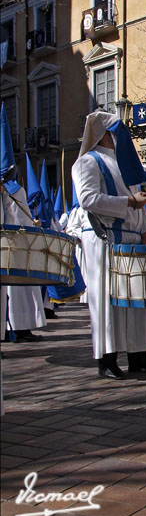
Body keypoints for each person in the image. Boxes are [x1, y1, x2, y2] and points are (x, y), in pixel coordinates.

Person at [72, 110, 146, 379]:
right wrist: (128, 202)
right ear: (104, 134)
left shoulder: (127, 164)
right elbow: (88, 199)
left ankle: (140, 355)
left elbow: (142, 202)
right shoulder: (87, 162)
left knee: (138, 300)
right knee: (108, 301)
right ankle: (107, 359)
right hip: (105, 239)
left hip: (133, 239)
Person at [0, 104, 46, 343]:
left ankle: (16, 328)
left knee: (16, 292)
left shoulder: (15, 191)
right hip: (13, 246)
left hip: (14, 247)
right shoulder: (15, 190)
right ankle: (17, 328)